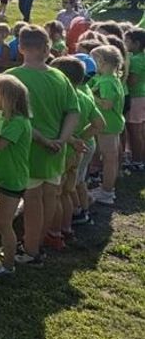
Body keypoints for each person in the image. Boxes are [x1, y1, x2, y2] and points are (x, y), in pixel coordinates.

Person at [5, 27, 79, 265]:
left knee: (33, 200)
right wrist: (61, 139)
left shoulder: (11, 78)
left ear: (20, 47)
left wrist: (43, 140)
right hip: (57, 151)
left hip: (29, 151)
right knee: (50, 197)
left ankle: (30, 248)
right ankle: (36, 243)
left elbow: (15, 119)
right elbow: (73, 112)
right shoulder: (61, 77)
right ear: (48, 49)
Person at [50, 56, 102, 244]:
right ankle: (67, 228)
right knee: (67, 192)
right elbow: (99, 124)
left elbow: (56, 126)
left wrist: (70, 140)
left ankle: (54, 232)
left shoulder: (64, 97)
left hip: (62, 151)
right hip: (77, 154)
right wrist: (80, 138)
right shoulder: (86, 96)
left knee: (56, 193)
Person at [0, 75, 33, 274]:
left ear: (8, 98)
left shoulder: (18, 122)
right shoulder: (1, 116)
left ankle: (8, 265)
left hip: (12, 179)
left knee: (5, 223)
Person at [90, 45, 127, 207]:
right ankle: (106, 188)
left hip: (108, 125)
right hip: (112, 123)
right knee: (110, 158)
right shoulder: (113, 79)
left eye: (95, 60)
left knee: (109, 159)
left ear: (103, 62)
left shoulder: (106, 81)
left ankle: (106, 192)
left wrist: (91, 96)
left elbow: (106, 105)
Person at [125, 29, 145, 166]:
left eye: (127, 41)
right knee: (141, 130)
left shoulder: (136, 60)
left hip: (136, 97)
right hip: (142, 95)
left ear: (137, 44)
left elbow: (133, 81)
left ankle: (137, 160)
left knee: (134, 131)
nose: (125, 43)